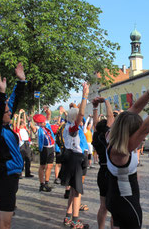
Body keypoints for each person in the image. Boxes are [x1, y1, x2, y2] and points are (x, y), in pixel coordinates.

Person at [106, 76, 149, 228]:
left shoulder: (111, 137)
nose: (141, 140)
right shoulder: (122, 150)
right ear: (130, 133)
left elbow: (133, 110)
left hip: (115, 197)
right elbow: (145, 128)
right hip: (126, 201)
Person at [0, 63, 26, 229]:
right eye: (6, 112)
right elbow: (0, 109)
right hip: (4, 178)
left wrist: (21, 82)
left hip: (9, 177)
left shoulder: (3, 127)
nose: (10, 113)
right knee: (4, 223)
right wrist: (1, 93)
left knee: (0, 221)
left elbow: (12, 103)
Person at [59, 82, 90, 229]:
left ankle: (68, 216)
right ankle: (76, 221)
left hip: (71, 157)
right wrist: (84, 97)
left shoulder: (67, 126)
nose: (82, 120)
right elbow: (81, 115)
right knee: (77, 192)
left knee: (73, 189)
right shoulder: (72, 127)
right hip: (74, 159)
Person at [91, 97, 114, 229]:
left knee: (103, 205)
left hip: (102, 171)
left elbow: (95, 124)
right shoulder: (107, 137)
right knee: (114, 206)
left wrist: (95, 108)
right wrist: (106, 101)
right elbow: (110, 116)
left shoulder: (96, 136)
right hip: (111, 171)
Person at [30, 111, 55, 192]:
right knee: (42, 166)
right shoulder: (38, 128)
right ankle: (42, 184)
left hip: (51, 147)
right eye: (43, 122)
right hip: (44, 148)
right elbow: (33, 128)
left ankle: (47, 182)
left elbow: (49, 116)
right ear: (40, 123)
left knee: (50, 165)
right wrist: (30, 121)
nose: (45, 122)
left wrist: (47, 111)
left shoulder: (47, 125)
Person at [15, 109, 34, 178]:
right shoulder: (18, 129)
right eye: (22, 123)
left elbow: (25, 121)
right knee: (21, 159)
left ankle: (27, 173)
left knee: (28, 158)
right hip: (22, 144)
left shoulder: (25, 128)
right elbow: (17, 123)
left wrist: (23, 114)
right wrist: (19, 115)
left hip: (27, 143)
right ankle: (19, 173)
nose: (23, 124)